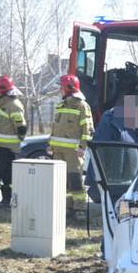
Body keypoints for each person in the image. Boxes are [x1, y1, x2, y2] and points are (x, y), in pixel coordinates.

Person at [50, 74, 94, 209]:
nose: (59, 91)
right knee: (63, 182)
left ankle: (79, 209)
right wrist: (50, 145)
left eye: (61, 88)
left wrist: (82, 147)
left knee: (75, 179)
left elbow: (88, 128)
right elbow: (55, 127)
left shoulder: (82, 106)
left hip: (73, 151)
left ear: (69, 88)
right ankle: (67, 207)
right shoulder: (61, 105)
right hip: (58, 151)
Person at [0, 76, 28, 207]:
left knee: (7, 177)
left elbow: (21, 126)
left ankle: (7, 200)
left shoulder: (14, 105)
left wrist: (17, 140)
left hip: (8, 149)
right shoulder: (2, 104)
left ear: (3, 91)